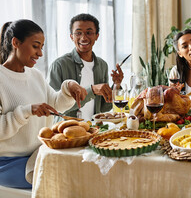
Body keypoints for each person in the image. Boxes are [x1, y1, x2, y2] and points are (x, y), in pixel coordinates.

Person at [0, 19, 87, 188]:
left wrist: (68, 87)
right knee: (66, 183)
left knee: (81, 171)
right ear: (15, 43)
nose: (40, 53)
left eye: (42, 47)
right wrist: (26, 111)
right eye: (35, 46)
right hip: (8, 163)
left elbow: (54, 104)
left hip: (39, 154)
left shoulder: (35, 75)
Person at [48, 13, 123, 121]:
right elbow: (54, 108)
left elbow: (104, 108)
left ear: (97, 36)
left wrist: (116, 85)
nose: (83, 38)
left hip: (93, 130)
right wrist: (92, 90)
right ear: (71, 36)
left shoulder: (102, 65)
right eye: (78, 33)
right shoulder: (59, 65)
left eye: (89, 32)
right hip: (67, 133)